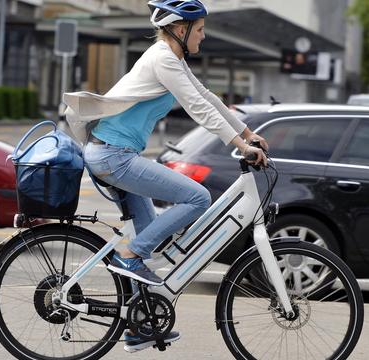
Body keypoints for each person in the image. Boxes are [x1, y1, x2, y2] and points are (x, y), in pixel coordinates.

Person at [62, 0, 268, 353]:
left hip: (114, 154)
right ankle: (130, 255)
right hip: (113, 156)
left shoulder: (171, 59)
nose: (203, 36)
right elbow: (197, 107)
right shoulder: (162, 59)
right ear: (180, 28)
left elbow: (207, 97)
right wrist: (237, 143)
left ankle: (138, 326)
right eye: (199, 29)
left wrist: (247, 133)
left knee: (149, 246)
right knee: (198, 198)